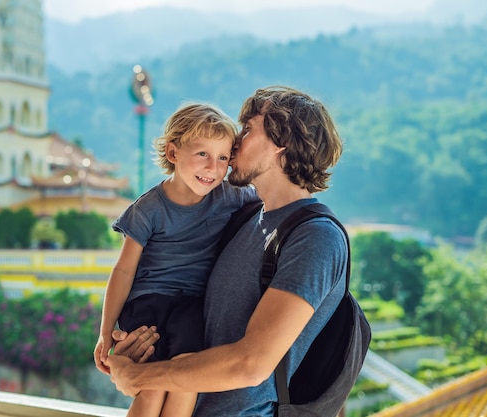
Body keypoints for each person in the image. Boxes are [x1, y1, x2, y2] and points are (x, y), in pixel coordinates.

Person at [104, 86, 348, 416]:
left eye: (247, 130)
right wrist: (134, 353)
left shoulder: (315, 237)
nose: (233, 144)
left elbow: (252, 364)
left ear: (281, 145)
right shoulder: (242, 217)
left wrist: (140, 376)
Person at [93, 102, 258, 417]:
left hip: (192, 307)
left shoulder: (229, 196)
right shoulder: (148, 210)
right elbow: (124, 270)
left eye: (223, 158)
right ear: (173, 153)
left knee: (186, 378)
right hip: (147, 304)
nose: (213, 167)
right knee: (152, 387)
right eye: (202, 155)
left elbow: (273, 195)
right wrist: (104, 332)